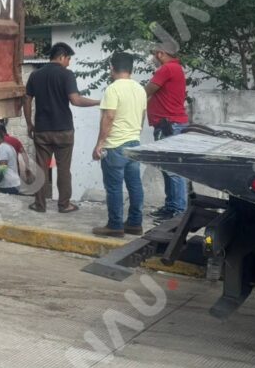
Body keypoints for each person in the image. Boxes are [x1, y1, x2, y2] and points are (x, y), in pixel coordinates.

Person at [22, 42, 99, 213]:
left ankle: (39, 204)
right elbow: (76, 100)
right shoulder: (66, 75)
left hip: (42, 130)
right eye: (68, 59)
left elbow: (27, 100)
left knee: (41, 168)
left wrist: (29, 123)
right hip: (63, 130)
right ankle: (64, 205)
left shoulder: (36, 75)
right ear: (62, 56)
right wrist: (98, 102)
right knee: (64, 169)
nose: (69, 63)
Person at [91, 52, 147, 237]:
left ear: (112, 68)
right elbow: (142, 116)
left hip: (115, 146)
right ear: (131, 69)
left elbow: (109, 116)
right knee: (134, 185)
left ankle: (115, 226)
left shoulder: (113, 89)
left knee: (114, 187)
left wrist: (100, 143)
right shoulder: (140, 89)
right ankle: (134, 224)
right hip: (134, 143)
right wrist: (136, 133)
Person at [145, 46, 190, 220]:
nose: (153, 58)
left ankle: (178, 211)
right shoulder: (175, 68)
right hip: (169, 124)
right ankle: (172, 206)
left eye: (154, 54)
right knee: (167, 168)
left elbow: (147, 90)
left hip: (169, 125)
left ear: (161, 53)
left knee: (173, 169)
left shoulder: (167, 68)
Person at [0, 128, 23, 195]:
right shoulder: (8, 146)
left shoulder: (2, 148)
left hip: (7, 186)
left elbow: (3, 168)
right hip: (13, 184)